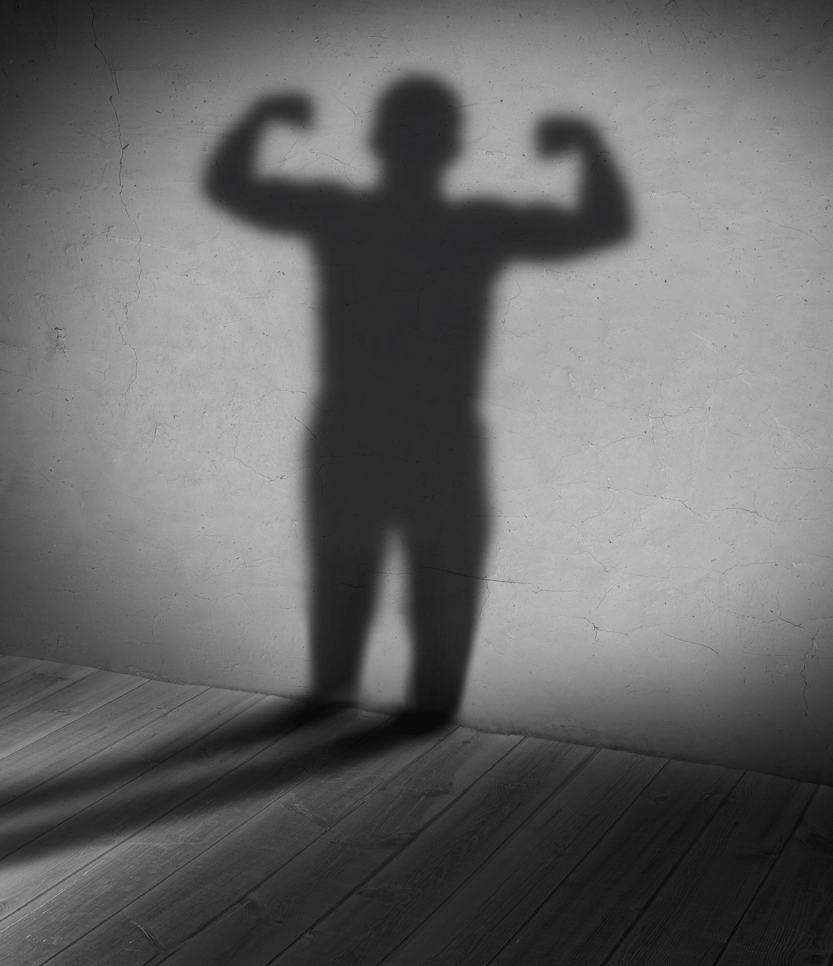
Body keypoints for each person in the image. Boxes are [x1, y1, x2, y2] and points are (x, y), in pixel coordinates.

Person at [207, 77, 630, 732]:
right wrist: (585, 144)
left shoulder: (366, 217)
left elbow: (231, 186)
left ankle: (363, 702)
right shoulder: (454, 225)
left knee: (372, 581)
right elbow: (604, 222)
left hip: (387, 429)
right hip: (407, 431)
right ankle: (381, 706)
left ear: (378, 141)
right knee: (400, 584)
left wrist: (261, 117)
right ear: (453, 146)